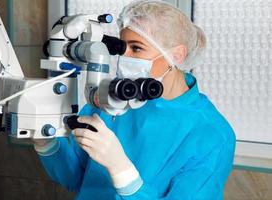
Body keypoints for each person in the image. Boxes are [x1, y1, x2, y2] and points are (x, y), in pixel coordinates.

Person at [34, 1, 236, 199]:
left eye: (136, 48)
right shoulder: (110, 101)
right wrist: (45, 140)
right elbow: (75, 178)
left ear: (176, 55)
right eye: (123, 48)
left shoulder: (212, 134)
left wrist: (121, 170)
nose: (125, 58)